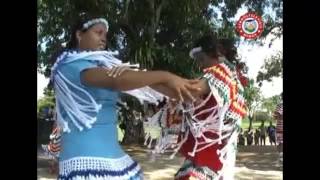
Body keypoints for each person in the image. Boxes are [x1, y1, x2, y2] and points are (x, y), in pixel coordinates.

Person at [51, 15, 200, 180]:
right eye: (98, 33)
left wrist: (184, 88)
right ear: (79, 35)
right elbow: (118, 81)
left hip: (113, 158)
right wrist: (166, 76)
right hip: (85, 160)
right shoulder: (67, 65)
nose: (103, 39)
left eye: (105, 35)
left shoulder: (103, 66)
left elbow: (145, 82)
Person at [274, 94, 283, 162]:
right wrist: (279, 115)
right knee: (280, 143)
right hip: (280, 128)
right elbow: (275, 116)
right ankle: (280, 157)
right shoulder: (279, 106)